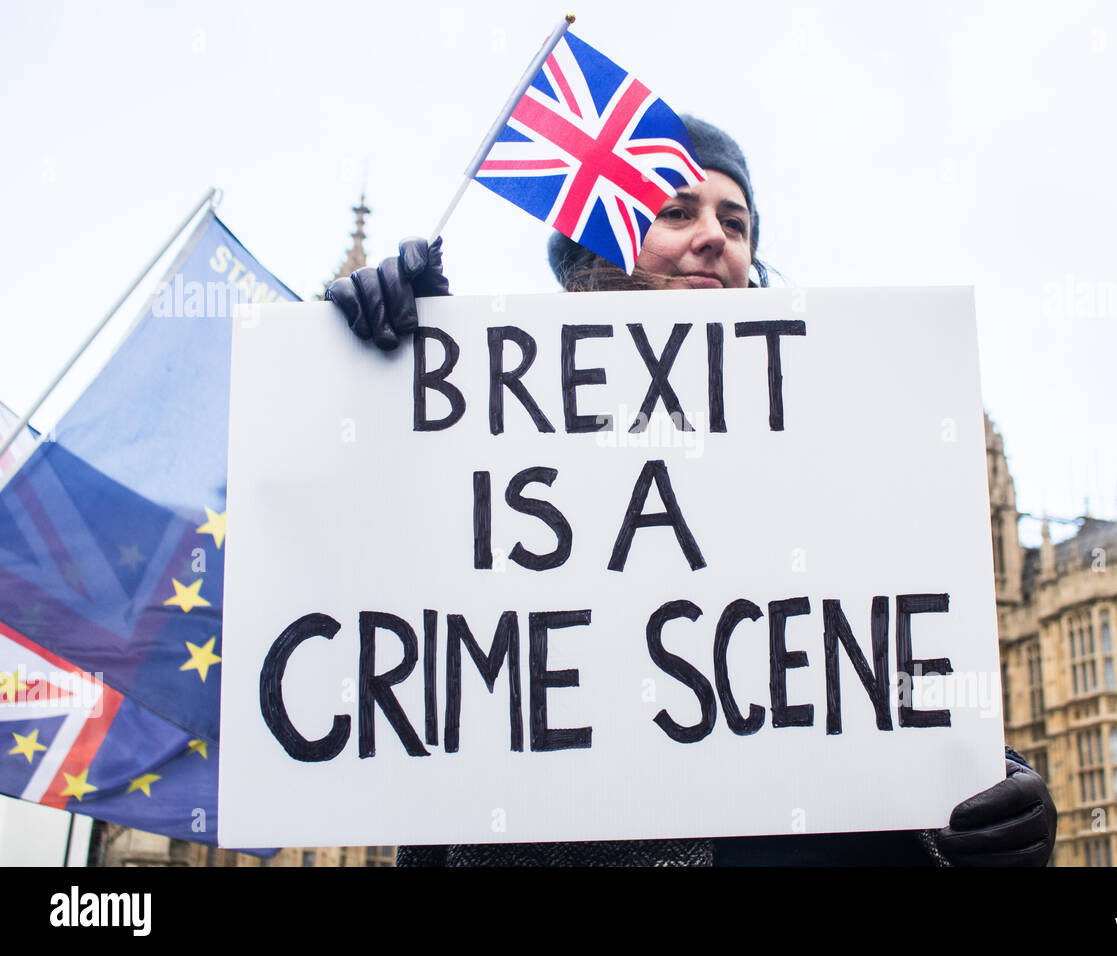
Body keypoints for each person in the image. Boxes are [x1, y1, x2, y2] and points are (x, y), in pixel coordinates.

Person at [326, 117, 1057, 866]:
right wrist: (380, 382)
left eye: (735, 223)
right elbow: (386, 621)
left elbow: (874, 663)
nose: (715, 236)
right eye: (676, 212)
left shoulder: (843, 437)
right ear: (599, 243)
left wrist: (980, 800)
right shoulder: (491, 428)